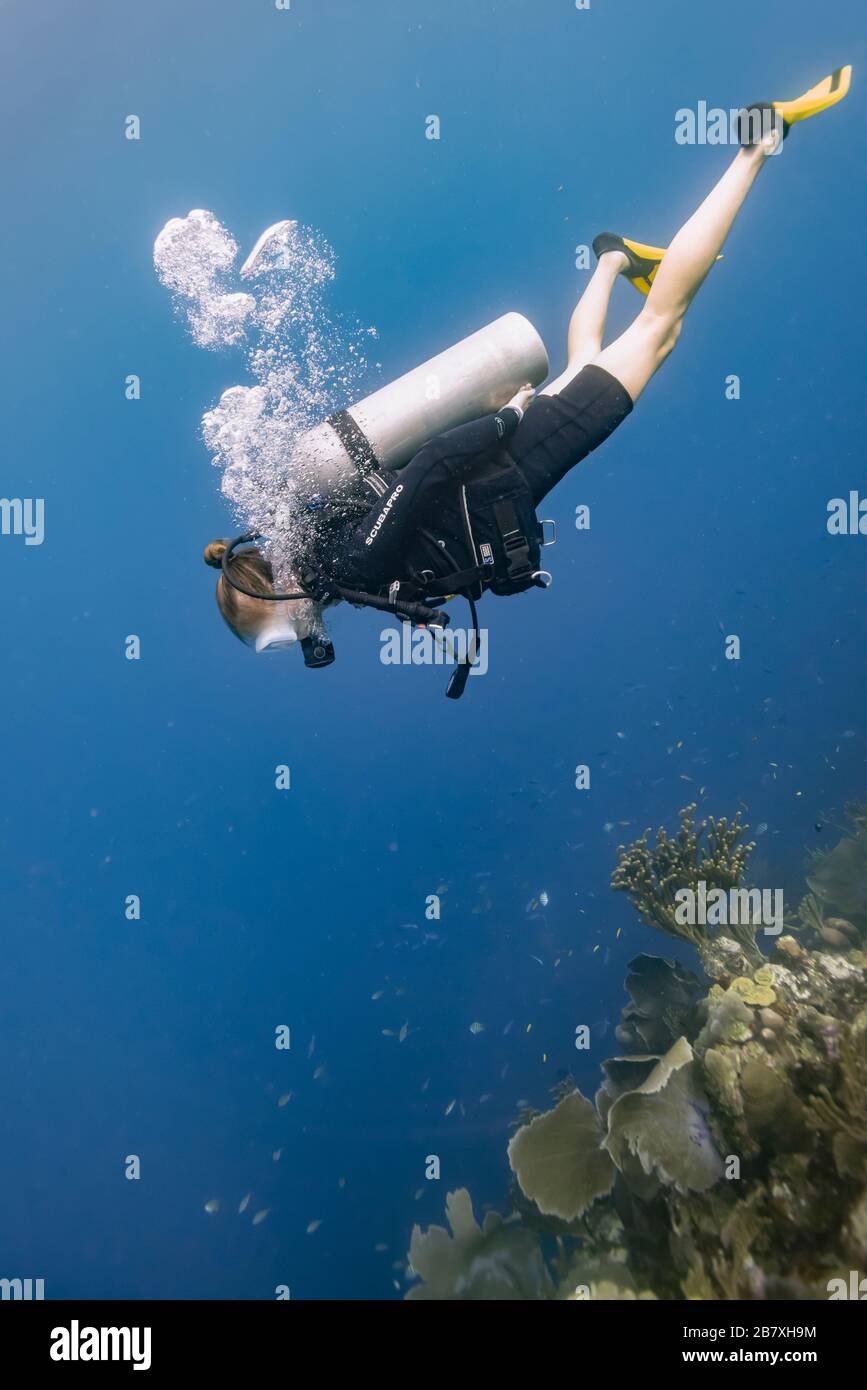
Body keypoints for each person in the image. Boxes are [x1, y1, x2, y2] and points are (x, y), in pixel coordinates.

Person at [205, 68, 851, 693]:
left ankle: (754, 148)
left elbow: (428, 464)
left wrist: (506, 420)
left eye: (270, 638)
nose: (288, 645)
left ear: (274, 599)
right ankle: (613, 260)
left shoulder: (349, 564)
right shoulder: (340, 567)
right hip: (510, 466)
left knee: (660, 327)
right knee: (582, 369)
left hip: (514, 451)